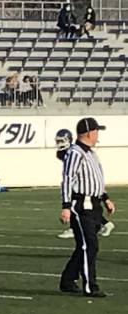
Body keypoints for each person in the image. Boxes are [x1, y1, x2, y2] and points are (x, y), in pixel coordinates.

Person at [59, 118, 115, 298]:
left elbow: (96, 178)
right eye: (96, 131)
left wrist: (105, 198)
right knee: (89, 245)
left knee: (85, 246)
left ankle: (68, 279)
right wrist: (66, 206)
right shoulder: (75, 153)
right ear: (90, 133)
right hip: (82, 205)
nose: (98, 135)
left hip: (94, 204)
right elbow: (68, 179)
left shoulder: (91, 154)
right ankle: (90, 286)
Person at [55, 129, 115, 239]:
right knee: (87, 212)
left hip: (86, 189)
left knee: (82, 209)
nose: (59, 144)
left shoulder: (76, 152)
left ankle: (76, 228)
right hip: (85, 188)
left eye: (61, 141)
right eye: (58, 141)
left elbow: (92, 175)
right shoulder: (70, 152)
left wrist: (105, 197)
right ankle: (105, 224)